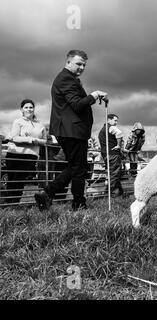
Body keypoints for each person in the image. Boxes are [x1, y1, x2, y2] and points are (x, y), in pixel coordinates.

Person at [34, 49, 108, 211]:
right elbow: (77, 104)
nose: (82, 67)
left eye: (84, 65)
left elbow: (74, 102)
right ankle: (77, 203)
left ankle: (49, 193)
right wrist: (94, 95)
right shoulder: (66, 80)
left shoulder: (69, 79)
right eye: (78, 64)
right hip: (71, 131)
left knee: (77, 166)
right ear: (68, 62)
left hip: (71, 130)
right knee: (79, 167)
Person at [4, 99, 47, 204]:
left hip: (30, 156)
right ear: (21, 109)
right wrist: (30, 140)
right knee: (12, 180)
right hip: (14, 154)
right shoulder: (18, 122)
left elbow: (44, 141)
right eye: (26, 107)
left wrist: (34, 140)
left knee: (20, 180)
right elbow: (14, 137)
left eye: (31, 107)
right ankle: (9, 203)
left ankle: (14, 202)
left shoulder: (40, 125)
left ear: (34, 109)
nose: (29, 109)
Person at [98, 114, 125, 197]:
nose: (116, 122)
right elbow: (120, 134)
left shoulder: (102, 130)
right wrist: (118, 145)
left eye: (117, 121)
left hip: (105, 154)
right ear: (109, 120)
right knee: (114, 174)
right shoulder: (111, 127)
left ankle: (119, 192)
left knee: (113, 173)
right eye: (115, 120)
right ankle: (110, 194)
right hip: (113, 154)